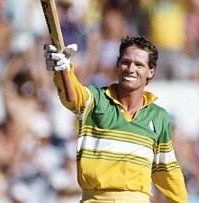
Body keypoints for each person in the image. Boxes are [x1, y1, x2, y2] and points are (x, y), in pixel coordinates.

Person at [43, 36, 188, 202]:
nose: (130, 69)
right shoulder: (97, 100)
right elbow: (72, 97)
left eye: (139, 65)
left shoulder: (159, 117)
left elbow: (168, 172)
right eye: (126, 62)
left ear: (151, 72)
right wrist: (63, 71)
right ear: (118, 64)